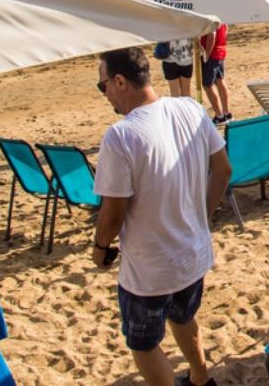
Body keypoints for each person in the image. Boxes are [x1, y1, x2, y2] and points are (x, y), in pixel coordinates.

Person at [92, 48, 233, 386]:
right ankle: (201, 378)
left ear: (120, 81)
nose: (105, 94)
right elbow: (223, 169)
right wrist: (202, 215)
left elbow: (113, 213)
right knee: (184, 319)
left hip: (150, 268)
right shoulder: (191, 109)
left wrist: (99, 248)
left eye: (103, 86)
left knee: (143, 344)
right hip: (193, 253)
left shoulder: (120, 135)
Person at [200, 22, 232, 124]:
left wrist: (207, 55)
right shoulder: (221, 16)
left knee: (207, 85)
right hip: (220, 52)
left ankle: (219, 115)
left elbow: (212, 35)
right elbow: (226, 28)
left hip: (212, 55)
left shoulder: (211, 18)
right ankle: (226, 113)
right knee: (220, 81)